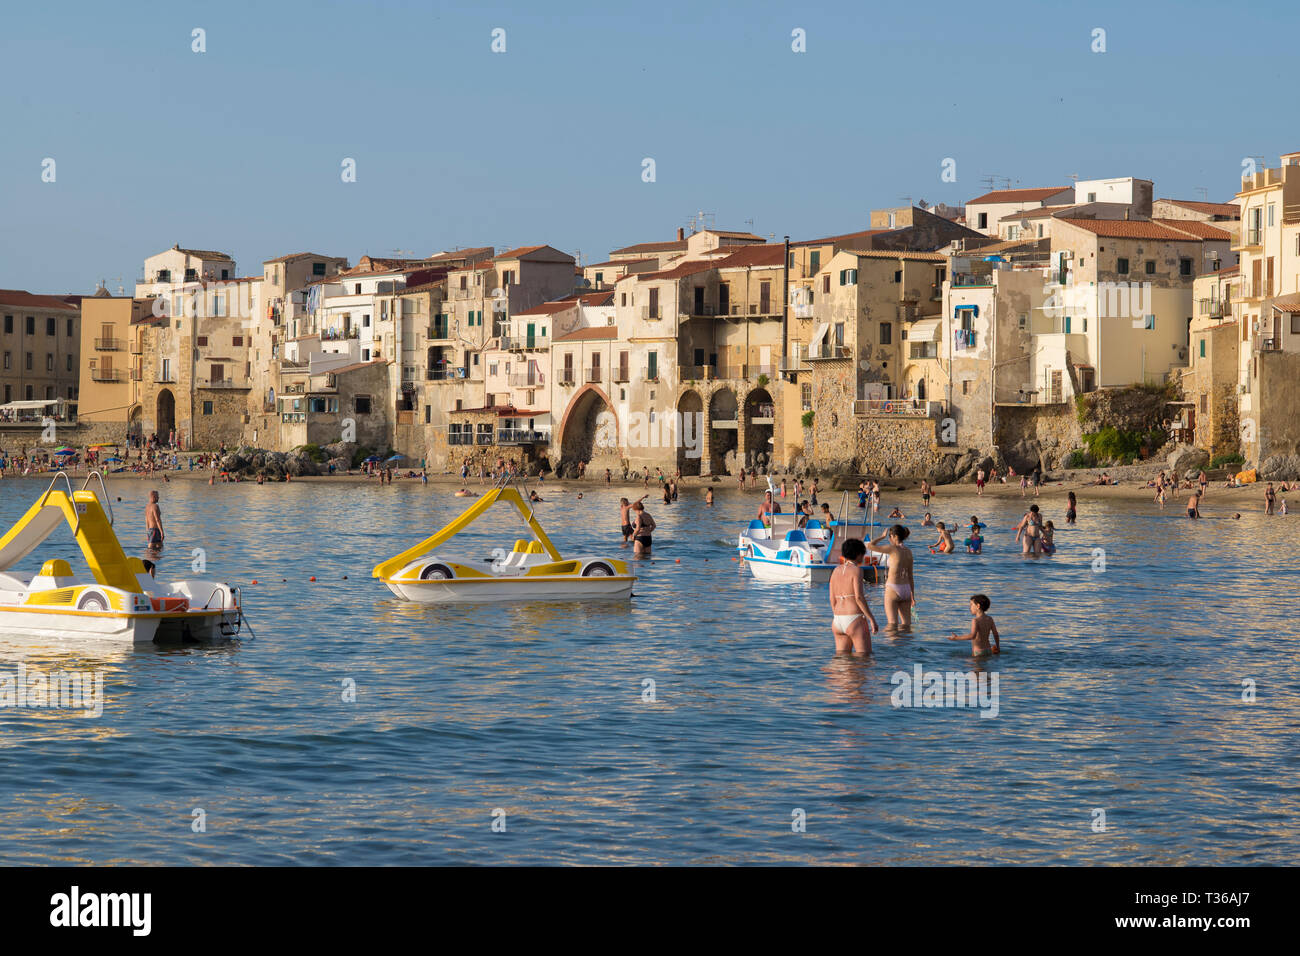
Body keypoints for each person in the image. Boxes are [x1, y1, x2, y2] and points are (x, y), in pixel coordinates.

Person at [830, 538, 878, 655]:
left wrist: (838, 616)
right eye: (863, 553)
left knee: (842, 661)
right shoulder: (857, 570)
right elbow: (859, 598)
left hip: (837, 620)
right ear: (858, 554)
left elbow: (832, 599)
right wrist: (871, 619)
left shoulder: (835, 571)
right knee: (864, 659)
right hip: (854, 619)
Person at [867, 524, 915, 628]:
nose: (889, 538)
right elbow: (910, 576)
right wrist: (913, 596)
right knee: (907, 626)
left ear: (895, 536)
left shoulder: (892, 549)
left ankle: (888, 644)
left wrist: (882, 536)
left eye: (890, 536)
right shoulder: (909, 552)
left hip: (893, 588)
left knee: (892, 625)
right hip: (906, 589)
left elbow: (869, 545)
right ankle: (908, 644)